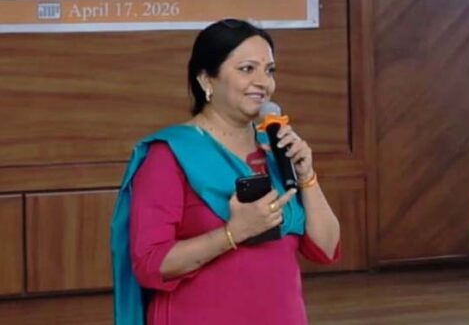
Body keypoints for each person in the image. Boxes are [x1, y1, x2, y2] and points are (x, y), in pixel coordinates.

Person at [110, 19, 341, 325]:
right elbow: (151, 264)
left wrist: (306, 176)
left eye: (269, 70)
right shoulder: (169, 155)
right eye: (247, 69)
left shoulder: (276, 150)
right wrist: (234, 233)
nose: (263, 83)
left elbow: (326, 248)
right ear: (207, 80)